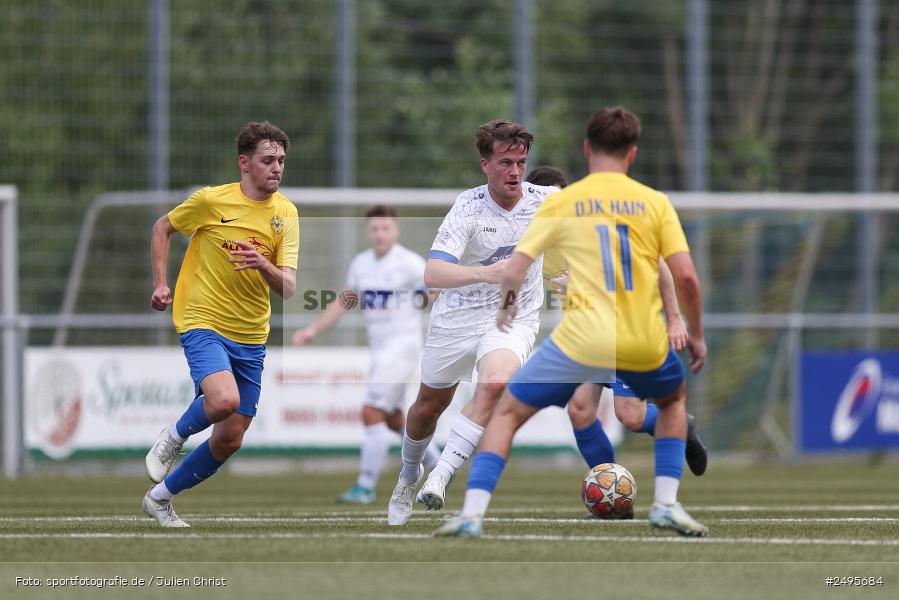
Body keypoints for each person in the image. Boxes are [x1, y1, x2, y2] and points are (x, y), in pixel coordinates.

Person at [436, 106, 709, 538]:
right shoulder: (655, 203)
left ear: (586, 149)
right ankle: (666, 503)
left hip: (579, 340)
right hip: (640, 338)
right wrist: (692, 332)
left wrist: (506, 306)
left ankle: (471, 514)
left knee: (506, 412)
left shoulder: (565, 202)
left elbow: (514, 267)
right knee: (669, 400)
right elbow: (687, 275)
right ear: (632, 154)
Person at [387, 119, 554, 526]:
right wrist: (489, 273)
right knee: (428, 407)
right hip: (457, 319)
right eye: (505, 163)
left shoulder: (547, 199)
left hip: (513, 318)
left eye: (520, 162)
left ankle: (440, 477)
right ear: (485, 165)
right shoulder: (468, 207)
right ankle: (409, 475)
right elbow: (434, 274)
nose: (515, 172)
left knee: (495, 384)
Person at [142, 121, 299, 528]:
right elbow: (163, 228)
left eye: (281, 160)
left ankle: (161, 498)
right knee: (223, 400)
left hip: (251, 334)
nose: (276, 168)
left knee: (230, 438)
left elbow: (289, 287)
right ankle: (173, 438)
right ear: (244, 163)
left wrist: (263, 263)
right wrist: (160, 284)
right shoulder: (211, 201)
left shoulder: (286, 213)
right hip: (202, 318)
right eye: (268, 160)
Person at [526, 167, 707, 478]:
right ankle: (615, 498)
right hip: (587, 333)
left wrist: (675, 318)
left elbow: (658, 263)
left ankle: (677, 423)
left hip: (623, 327)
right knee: (580, 411)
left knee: (631, 417)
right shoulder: (535, 239)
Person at [292, 205, 441, 504]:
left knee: (370, 412)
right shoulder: (361, 264)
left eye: (385, 228)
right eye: (374, 229)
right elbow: (345, 300)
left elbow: (436, 291)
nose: (380, 234)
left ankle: (365, 485)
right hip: (380, 350)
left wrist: (425, 297)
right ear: (367, 232)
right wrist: (313, 330)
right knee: (393, 418)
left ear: (395, 230)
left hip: (403, 347)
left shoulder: (410, 263)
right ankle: (437, 465)